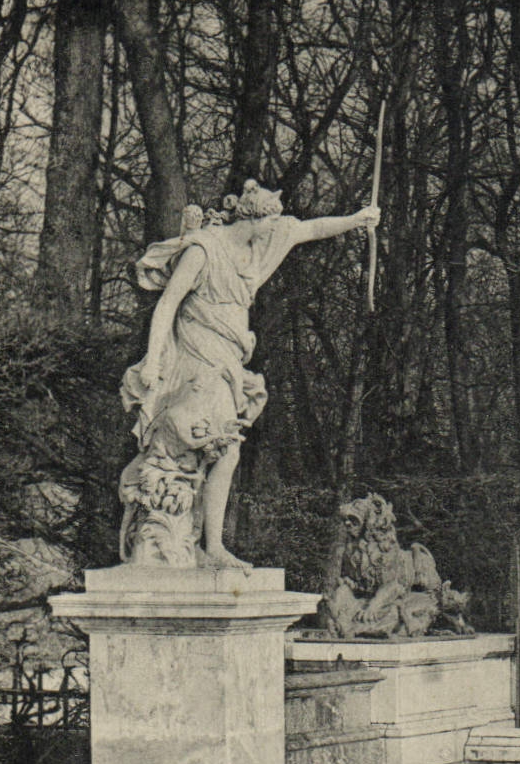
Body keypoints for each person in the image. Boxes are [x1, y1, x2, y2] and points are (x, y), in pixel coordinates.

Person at [119, 180, 379, 567]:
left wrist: (358, 220)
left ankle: (211, 545)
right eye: (272, 225)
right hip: (195, 353)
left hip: (228, 358)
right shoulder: (204, 250)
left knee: (227, 446)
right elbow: (167, 304)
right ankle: (167, 534)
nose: (277, 233)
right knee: (189, 432)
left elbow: (310, 229)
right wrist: (154, 360)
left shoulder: (263, 246)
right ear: (257, 221)